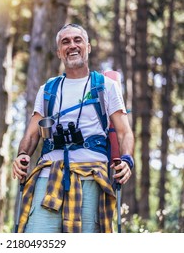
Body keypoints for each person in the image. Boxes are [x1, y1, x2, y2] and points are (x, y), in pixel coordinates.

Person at [12, 23, 134, 233]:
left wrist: (127, 160)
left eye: (77, 40)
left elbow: (124, 132)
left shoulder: (106, 86)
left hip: (92, 174)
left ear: (88, 46)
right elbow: (32, 135)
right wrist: (22, 155)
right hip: (48, 175)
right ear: (59, 52)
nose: (72, 45)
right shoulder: (48, 89)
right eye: (65, 42)